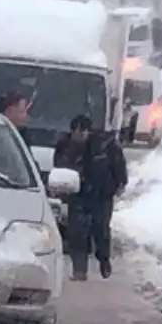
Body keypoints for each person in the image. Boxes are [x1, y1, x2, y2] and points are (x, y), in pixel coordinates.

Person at [53, 114, 128, 281]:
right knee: (77, 232)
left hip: (102, 194)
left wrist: (120, 183)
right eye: (76, 132)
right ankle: (79, 270)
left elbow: (119, 165)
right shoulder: (65, 146)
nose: (79, 136)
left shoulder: (105, 146)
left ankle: (104, 260)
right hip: (77, 194)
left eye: (82, 132)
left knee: (100, 230)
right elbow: (58, 166)